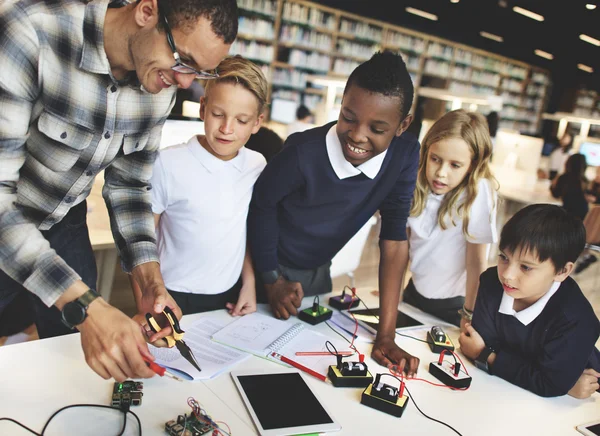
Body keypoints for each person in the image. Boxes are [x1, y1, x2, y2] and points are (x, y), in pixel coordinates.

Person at [0, 0, 237, 381]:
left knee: (73, 363)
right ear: (146, 12)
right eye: (184, 60)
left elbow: (130, 184)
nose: (185, 83)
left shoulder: (160, 80)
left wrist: (149, 280)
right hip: (9, 211)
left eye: (199, 72)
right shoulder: (32, 33)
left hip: (65, 218)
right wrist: (88, 307)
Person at [248, 51, 420, 375]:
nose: (357, 135)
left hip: (316, 269)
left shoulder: (406, 155)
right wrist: (271, 279)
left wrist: (386, 335)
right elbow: (262, 205)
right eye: (349, 117)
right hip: (263, 262)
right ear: (340, 104)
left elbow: (394, 238)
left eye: (377, 128)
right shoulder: (302, 151)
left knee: (302, 359)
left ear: (402, 126)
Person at [131, 56, 266, 319]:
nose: (227, 128)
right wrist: (144, 305)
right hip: (171, 293)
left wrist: (249, 283)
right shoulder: (167, 163)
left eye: (241, 120)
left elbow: (245, 229)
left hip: (230, 294)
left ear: (257, 122)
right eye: (218, 114)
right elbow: (139, 241)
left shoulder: (256, 164)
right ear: (202, 108)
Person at [459, 204, 600, 398]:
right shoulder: (492, 282)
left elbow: (550, 385)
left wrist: (487, 356)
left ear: (562, 271)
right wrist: (551, 381)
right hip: (507, 393)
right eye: (504, 257)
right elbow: (479, 343)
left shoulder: (576, 319)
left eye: (525, 267)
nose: (507, 275)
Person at [405, 109, 498, 329]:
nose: (441, 173)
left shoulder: (478, 193)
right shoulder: (414, 183)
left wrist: (470, 313)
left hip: (455, 307)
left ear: (472, 166)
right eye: (435, 159)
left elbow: (476, 262)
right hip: (413, 292)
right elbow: (402, 246)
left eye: (455, 165)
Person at [550, 153, 589, 221]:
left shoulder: (564, 178)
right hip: (583, 214)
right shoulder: (585, 180)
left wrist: (553, 184)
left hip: (567, 213)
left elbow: (556, 194)